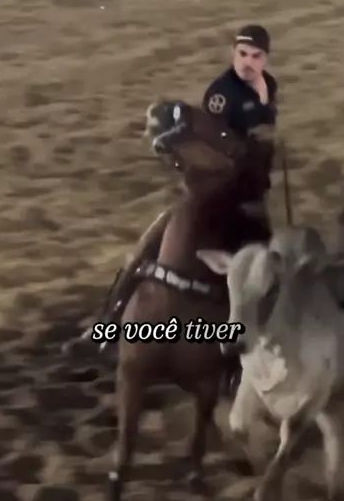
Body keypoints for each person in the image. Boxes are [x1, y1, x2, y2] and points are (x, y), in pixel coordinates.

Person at [91, 24, 278, 331]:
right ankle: (108, 321)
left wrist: (266, 147)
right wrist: (250, 148)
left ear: (265, 58)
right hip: (221, 192)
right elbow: (218, 147)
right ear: (234, 54)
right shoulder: (220, 94)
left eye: (255, 56)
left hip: (249, 191)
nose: (248, 61)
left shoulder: (267, 87)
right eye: (243, 54)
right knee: (145, 249)